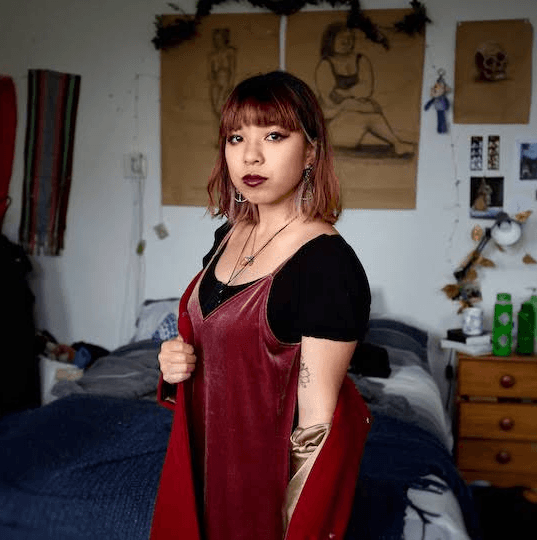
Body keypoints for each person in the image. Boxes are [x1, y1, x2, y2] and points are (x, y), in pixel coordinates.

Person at [150, 71, 372, 540]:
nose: (250, 155)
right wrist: (173, 362)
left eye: (273, 135)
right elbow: (214, 340)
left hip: (259, 497)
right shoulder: (227, 235)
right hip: (200, 472)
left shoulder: (327, 264)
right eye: (236, 137)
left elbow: (317, 434)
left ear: (310, 151)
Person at [315, 22, 414, 156]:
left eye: (350, 38)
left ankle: (397, 144)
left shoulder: (361, 60)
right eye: (341, 38)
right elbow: (330, 102)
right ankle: (397, 143)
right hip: (330, 129)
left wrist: (346, 97)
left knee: (371, 115)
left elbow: (366, 90)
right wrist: (354, 102)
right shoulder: (325, 65)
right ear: (331, 40)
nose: (346, 42)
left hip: (351, 124)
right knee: (368, 111)